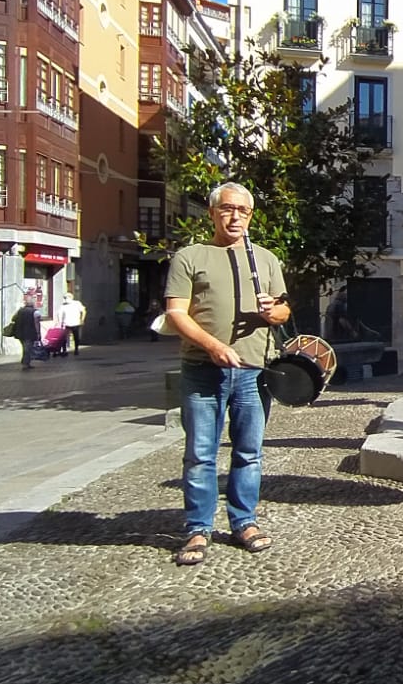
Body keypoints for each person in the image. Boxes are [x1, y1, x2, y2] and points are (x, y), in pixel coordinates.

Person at [164, 182, 290, 566]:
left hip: (253, 370)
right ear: (212, 213)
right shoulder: (190, 256)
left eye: (243, 211)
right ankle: (198, 528)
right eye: (227, 209)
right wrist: (213, 346)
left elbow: (284, 310)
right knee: (200, 454)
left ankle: (244, 521)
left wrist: (273, 312)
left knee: (249, 452)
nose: (235, 217)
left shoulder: (265, 259)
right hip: (203, 369)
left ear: (251, 216)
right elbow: (176, 313)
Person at [9, 296, 44, 369]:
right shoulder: (35, 312)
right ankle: (25, 364)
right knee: (28, 349)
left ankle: (25, 362)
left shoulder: (20, 311)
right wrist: (38, 333)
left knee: (25, 348)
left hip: (20, 332)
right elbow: (36, 323)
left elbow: (13, 318)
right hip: (30, 333)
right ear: (33, 303)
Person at [59, 290, 86, 355]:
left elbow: (83, 311)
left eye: (66, 297)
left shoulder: (77, 303)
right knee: (64, 337)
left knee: (76, 336)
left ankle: (76, 349)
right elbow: (60, 314)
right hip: (66, 323)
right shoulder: (63, 305)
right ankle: (64, 350)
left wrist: (82, 320)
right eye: (64, 297)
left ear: (71, 297)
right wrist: (60, 322)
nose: (65, 299)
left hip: (75, 323)